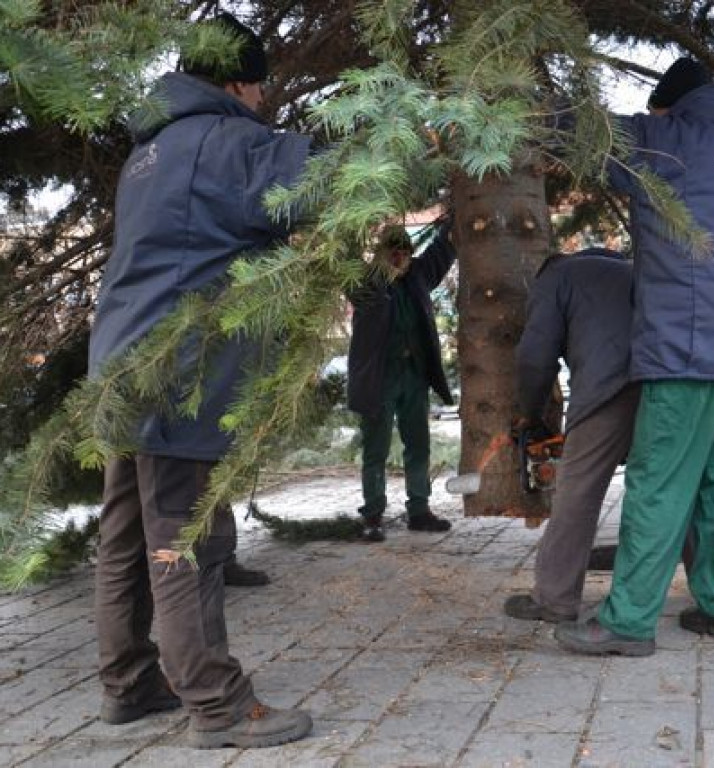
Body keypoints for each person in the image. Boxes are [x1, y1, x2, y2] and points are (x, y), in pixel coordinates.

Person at [88, 12, 313, 747]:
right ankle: (216, 703)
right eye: (260, 91)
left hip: (123, 364)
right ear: (241, 82)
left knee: (126, 533)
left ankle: (129, 682)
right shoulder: (230, 141)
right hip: (178, 373)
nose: (263, 105)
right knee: (188, 538)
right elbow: (311, 191)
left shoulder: (149, 150)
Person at [556, 57, 714, 656]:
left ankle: (628, 622)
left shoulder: (663, 141)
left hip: (688, 346)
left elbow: (572, 127)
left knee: (659, 481)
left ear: (668, 107)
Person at [503, 247, 638, 623]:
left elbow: (534, 356)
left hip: (605, 390)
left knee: (577, 490)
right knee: (667, 487)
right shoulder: (624, 269)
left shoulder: (552, 280)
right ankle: (712, 596)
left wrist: (529, 413)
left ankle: (554, 599)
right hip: (664, 383)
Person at [347, 221, 457, 542]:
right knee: (375, 450)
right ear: (381, 254)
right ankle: (372, 516)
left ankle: (419, 511)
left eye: (404, 252)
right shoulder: (364, 283)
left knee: (418, 445)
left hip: (414, 377)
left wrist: (454, 210)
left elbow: (443, 247)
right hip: (378, 380)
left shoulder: (418, 276)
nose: (399, 259)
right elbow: (341, 257)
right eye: (392, 253)